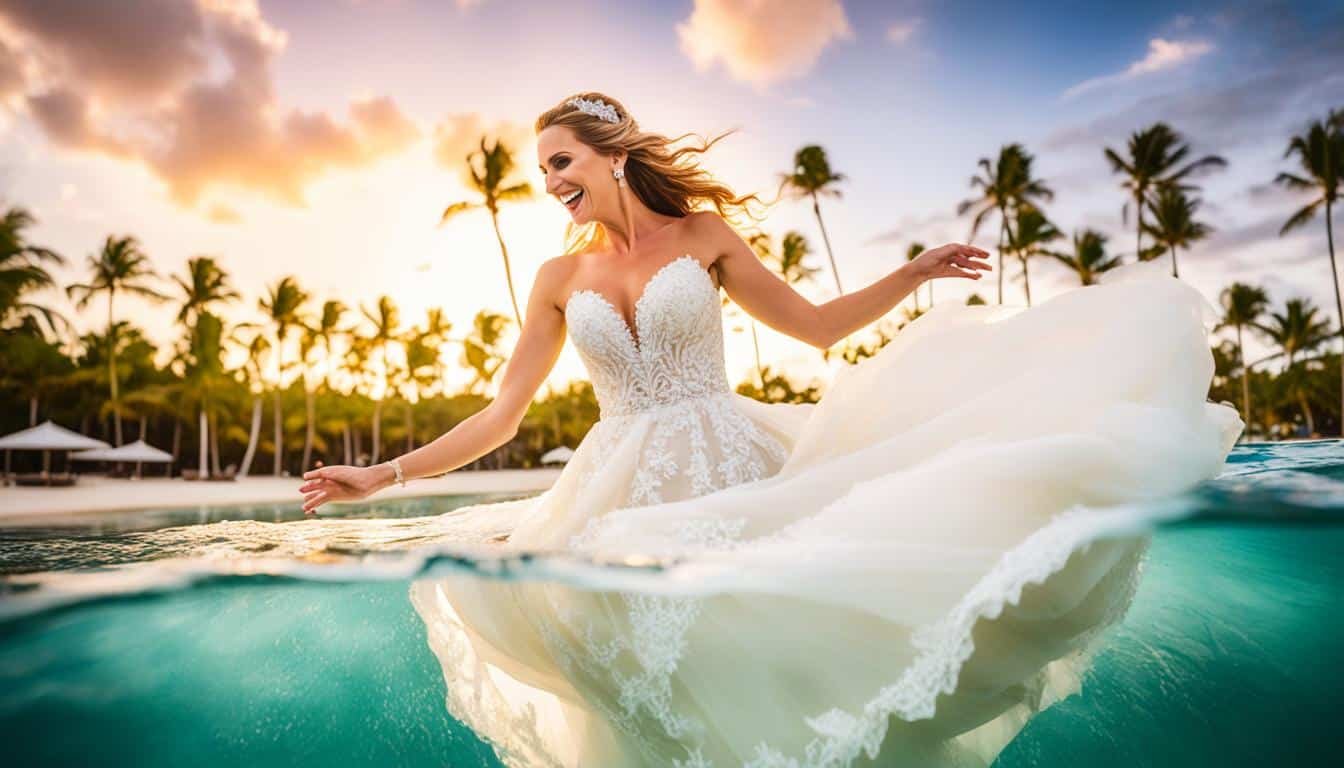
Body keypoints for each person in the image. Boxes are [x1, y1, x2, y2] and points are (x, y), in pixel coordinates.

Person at [298, 92, 1243, 767]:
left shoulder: (705, 236)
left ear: (612, 155)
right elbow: (502, 414)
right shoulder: (555, 278)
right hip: (614, 480)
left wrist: (909, 275)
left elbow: (818, 328)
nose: (550, 180)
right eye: (542, 167)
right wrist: (378, 476)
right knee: (641, 657)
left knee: (765, 626)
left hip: (733, 460)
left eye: (561, 161)